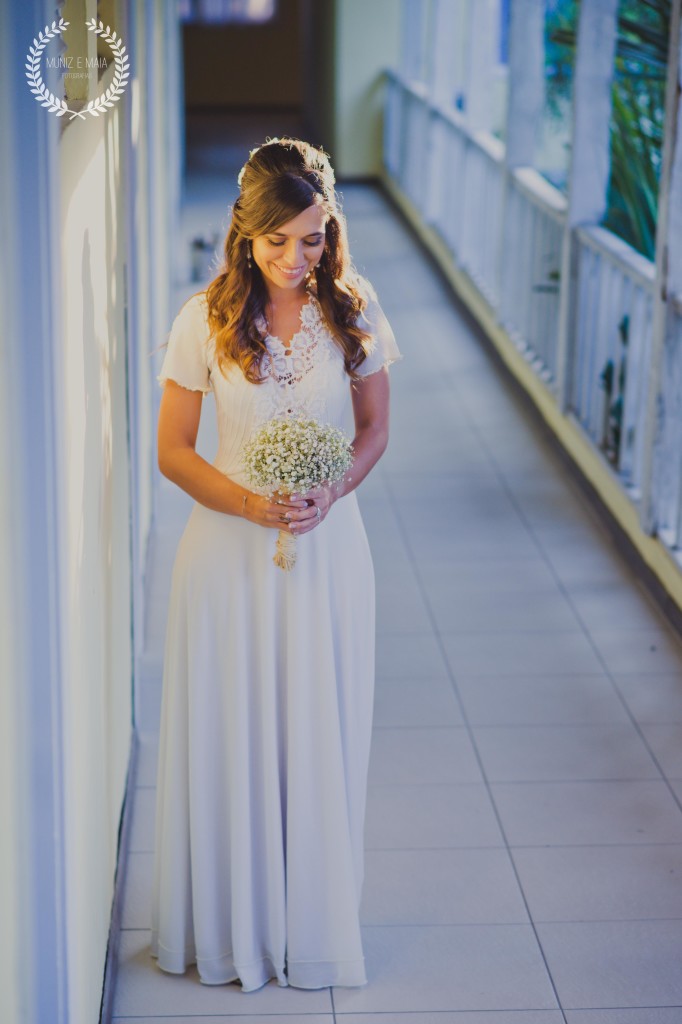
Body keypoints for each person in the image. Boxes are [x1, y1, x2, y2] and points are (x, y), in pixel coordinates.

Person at [150, 137, 402, 994]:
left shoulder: (355, 310)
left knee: (316, 730)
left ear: (331, 229)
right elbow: (174, 454)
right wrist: (250, 504)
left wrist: (334, 491)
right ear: (243, 235)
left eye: (313, 238)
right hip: (225, 558)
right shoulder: (203, 320)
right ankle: (233, 929)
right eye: (276, 242)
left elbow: (373, 432)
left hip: (331, 555)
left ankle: (312, 923)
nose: (297, 259)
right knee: (232, 730)